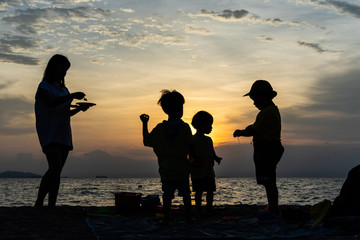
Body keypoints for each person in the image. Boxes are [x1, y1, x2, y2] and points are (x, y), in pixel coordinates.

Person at [34, 54, 91, 208]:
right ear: (53, 68)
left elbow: (65, 113)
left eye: (66, 70)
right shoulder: (44, 86)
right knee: (54, 167)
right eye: (62, 69)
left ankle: (51, 204)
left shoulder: (63, 89)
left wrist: (79, 109)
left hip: (63, 132)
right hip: (49, 132)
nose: (64, 73)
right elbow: (50, 103)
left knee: (57, 170)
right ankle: (39, 203)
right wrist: (72, 96)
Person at [233, 80, 284, 216]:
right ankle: (273, 207)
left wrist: (241, 132)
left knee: (269, 181)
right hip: (269, 148)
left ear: (265, 97)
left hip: (267, 149)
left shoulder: (267, 112)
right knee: (269, 180)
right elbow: (258, 127)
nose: (254, 103)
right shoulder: (271, 111)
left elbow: (254, 130)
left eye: (255, 99)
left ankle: (273, 209)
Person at [140, 89, 192, 218]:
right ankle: (189, 216)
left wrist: (145, 124)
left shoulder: (159, 129)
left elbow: (147, 141)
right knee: (186, 194)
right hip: (182, 169)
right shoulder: (185, 128)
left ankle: (166, 218)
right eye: (181, 106)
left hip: (166, 170)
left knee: (167, 195)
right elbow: (191, 147)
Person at [189, 111, 222, 214]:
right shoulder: (193, 140)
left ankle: (209, 208)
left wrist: (216, 158)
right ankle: (198, 208)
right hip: (198, 171)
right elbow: (190, 152)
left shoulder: (209, 139)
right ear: (201, 125)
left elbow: (211, 152)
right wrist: (194, 159)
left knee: (210, 191)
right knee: (198, 191)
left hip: (208, 171)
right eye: (209, 125)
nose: (211, 128)